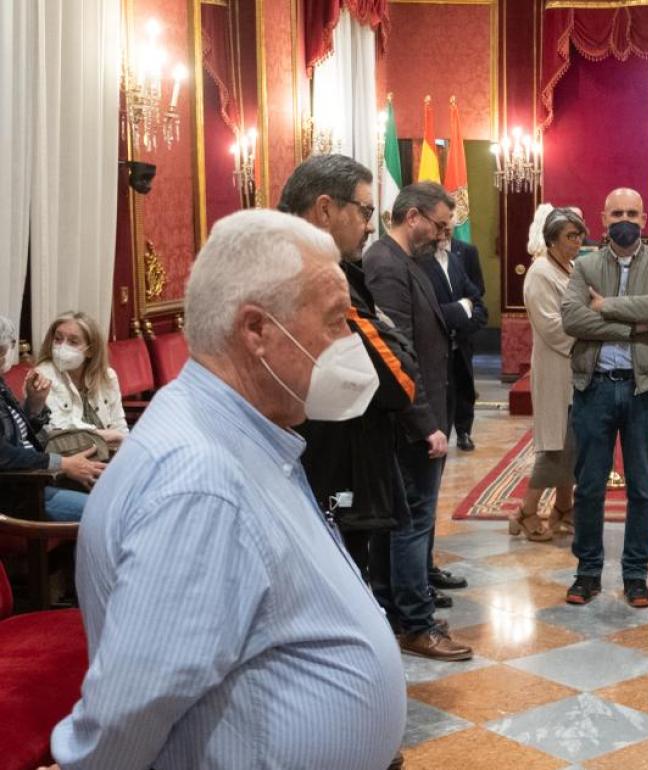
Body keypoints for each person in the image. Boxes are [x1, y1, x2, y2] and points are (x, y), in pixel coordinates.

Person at [48, 210, 406, 768]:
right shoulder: (199, 481)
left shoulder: (236, 431)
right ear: (257, 330)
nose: (349, 341)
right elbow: (132, 702)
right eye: (337, 321)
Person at [277, 154, 424, 594]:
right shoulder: (318, 277)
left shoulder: (307, 266)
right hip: (329, 465)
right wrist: (392, 341)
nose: (369, 225)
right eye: (363, 211)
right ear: (325, 209)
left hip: (317, 460)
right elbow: (400, 380)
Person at [560, 187, 648, 608]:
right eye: (617, 213)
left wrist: (608, 306)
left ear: (645, 219)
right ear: (604, 218)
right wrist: (633, 326)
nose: (625, 219)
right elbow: (572, 317)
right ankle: (587, 572)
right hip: (593, 386)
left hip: (644, 389)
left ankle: (636, 576)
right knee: (590, 486)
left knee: (642, 488)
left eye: (632, 212)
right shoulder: (585, 263)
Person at [364, 182, 473, 660]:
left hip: (422, 411)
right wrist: (425, 422)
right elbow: (397, 354)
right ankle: (415, 622)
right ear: (412, 216)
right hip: (409, 421)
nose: (442, 234)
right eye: (438, 224)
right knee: (410, 521)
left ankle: (394, 613)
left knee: (401, 520)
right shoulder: (386, 264)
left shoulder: (408, 262)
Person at [517, 207, 587, 541]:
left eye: (579, 235)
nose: (578, 242)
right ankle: (527, 511)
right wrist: (590, 330)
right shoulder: (540, 273)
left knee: (572, 439)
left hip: (574, 366)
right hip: (555, 365)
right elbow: (551, 327)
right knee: (554, 444)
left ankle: (563, 506)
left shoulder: (569, 267)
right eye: (571, 236)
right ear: (552, 240)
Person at [0, 316, 102, 522]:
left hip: (38, 480)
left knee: (119, 500)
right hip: (20, 494)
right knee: (106, 514)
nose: (5, 357)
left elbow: (21, 437)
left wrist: (35, 404)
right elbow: (4, 455)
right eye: (3, 351)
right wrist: (61, 463)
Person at [33, 311, 128, 453]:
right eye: (58, 339)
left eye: (73, 342)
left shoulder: (107, 377)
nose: (62, 346)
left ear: (90, 350)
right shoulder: (42, 375)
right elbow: (57, 430)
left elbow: (120, 429)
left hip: (110, 455)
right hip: (68, 460)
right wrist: (103, 435)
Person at [448, 237, 486, 452]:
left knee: (464, 382)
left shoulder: (466, 252)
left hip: (463, 331)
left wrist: (466, 313)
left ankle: (464, 431)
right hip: (440, 332)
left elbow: (477, 288)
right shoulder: (422, 255)